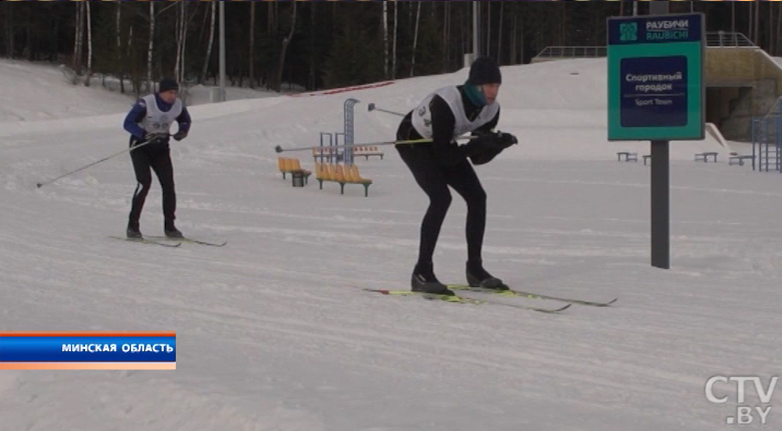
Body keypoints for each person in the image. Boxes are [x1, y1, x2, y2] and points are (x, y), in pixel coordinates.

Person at [395, 57, 518, 296]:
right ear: (475, 85)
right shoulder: (446, 103)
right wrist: (479, 144)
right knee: (440, 198)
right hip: (414, 140)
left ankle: (475, 269)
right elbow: (443, 159)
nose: (493, 92)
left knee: (477, 197)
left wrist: (497, 145)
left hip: (444, 145)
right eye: (489, 86)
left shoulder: (492, 109)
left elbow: (477, 158)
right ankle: (422, 271)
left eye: (497, 86)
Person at [122, 78, 191, 239]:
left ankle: (170, 227)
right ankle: (132, 226)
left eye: (175, 92)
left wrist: (183, 131)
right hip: (140, 147)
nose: (172, 96)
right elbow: (128, 123)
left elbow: (185, 120)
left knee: (168, 186)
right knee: (144, 183)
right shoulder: (147, 103)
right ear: (161, 92)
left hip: (161, 149)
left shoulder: (178, 105)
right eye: (169, 92)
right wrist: (143, 134)